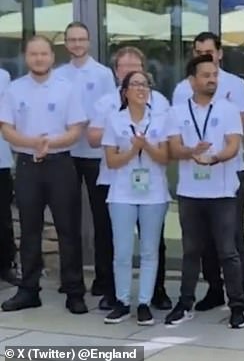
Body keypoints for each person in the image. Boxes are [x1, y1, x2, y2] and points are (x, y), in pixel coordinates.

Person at [0, 36, 87, 314]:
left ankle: (74, 291)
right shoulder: (14, 89)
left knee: (68, 229)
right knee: (29, 230)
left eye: (44, 54)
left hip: (60, 164)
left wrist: (50, 144)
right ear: (26, 57)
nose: (39, 59)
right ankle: (29, 290)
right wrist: (32, 144)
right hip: (27, 165)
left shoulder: (67, 88)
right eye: (33, 54)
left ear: (52, 57)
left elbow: (76, 129)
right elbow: (7, 128)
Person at [172, 32, 244, 315]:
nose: (204, 55)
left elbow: (243, 124)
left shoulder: (234, 85)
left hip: (227, 176)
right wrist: (192, 149)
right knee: (199, 243)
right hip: (192, 181)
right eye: (198, 51)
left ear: (219, 53)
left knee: (231, 240)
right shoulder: (181, 91)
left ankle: (240, 295)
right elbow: (175, 137)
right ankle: (212, 290)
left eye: (209, 51)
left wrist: (216, 149)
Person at [87, 46, 172, 311]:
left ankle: (154, 292)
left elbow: (166, 148)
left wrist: (144, 144)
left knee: (153, 243)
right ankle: (114, 294)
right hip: (115, 182)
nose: (132, 73)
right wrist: (127, 143)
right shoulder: (105, 103)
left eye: (137, 68)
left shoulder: (160, 102)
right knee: (112, 241)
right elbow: (93, 139)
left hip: (151, 185)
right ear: (116, 73)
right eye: (125, 68)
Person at [55, 21, 117, 298]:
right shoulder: (58, 75)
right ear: (66, 44)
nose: (77, 44)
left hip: (95, 155)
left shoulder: (103, 74)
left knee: (101, 219)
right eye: (72, 39)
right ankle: (71, 278)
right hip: (66, 154)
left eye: (81, 39)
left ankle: (104, 279)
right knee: (68, 220)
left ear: (89, 42)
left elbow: (108, 112)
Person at [0, 67, 18, 286]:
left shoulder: (3, 76)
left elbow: (7, 116)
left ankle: (5, 264)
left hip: (1, 160)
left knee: (3, 216)